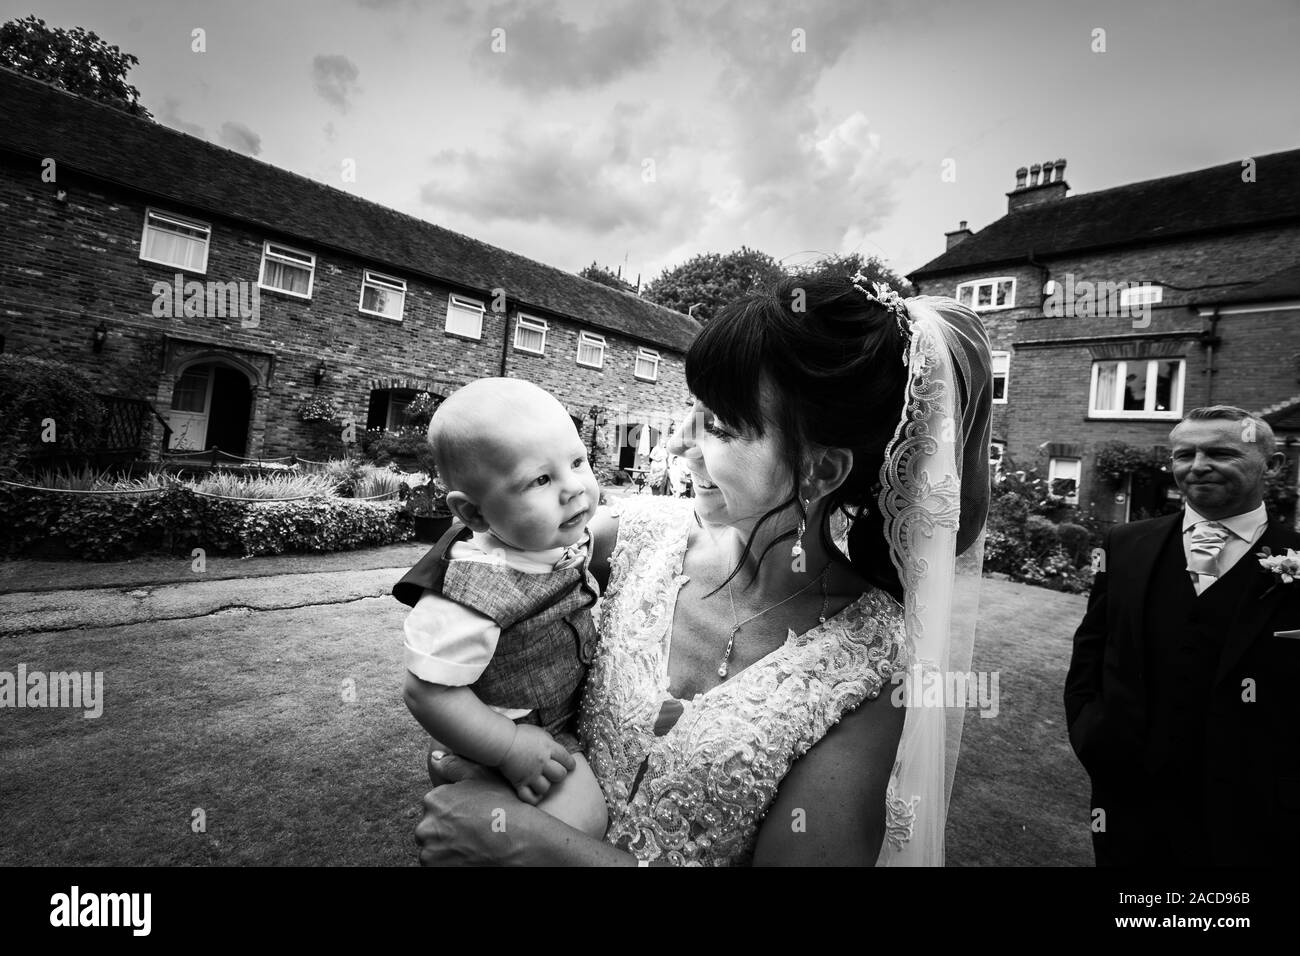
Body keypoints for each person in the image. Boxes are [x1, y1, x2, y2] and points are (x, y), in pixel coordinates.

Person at [415, 274, 993, 865]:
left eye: (718, 426)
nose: (676, 444)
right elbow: (492, 553)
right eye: (691, 410)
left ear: (821, 470)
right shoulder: (638, 535)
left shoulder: (874, 663)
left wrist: (520, 840)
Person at [1064, 405, 1300, 866]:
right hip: (1131, 788)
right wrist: (1091, 733)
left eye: (1220, 453)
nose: (1197, 466)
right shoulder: (1126, 543)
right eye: (1184, 454)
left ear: (1272, 465)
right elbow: (1092, 647)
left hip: (1257, 803)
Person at [392, 377, 608, 838]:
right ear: (474, 514)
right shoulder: (472, 592)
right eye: (541, 479)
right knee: (583, 821)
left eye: (577, 461)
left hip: (556, 717)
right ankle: (475, 790)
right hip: (507, 732)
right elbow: (427, 691)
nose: (574, 488)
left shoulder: (550, 535)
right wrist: (507, 748)